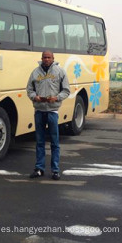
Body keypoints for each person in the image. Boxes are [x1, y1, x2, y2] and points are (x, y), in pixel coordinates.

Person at [26, 50, 70, 180]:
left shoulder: (60, 72)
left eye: (49, 57)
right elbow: (29, 89)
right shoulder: (35, 72)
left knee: (54, 142)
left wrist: (56, 98)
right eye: (44, 57)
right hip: (39, 111)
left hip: (52, 111)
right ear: (41, 58)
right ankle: (39, 168)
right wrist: (35, 97)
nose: (46, 59)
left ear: (53, 58)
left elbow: (66, 90)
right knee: (39, 141)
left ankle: (55, 170)